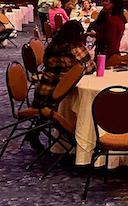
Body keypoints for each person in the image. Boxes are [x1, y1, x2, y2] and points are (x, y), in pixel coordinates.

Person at [27, 20, 94, 150]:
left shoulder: (52, 46)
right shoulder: (77, 49)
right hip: (58, 94)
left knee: (46, 108)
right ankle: (73, 138)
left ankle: (35, 130)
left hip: (42, 90)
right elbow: (90, 67)